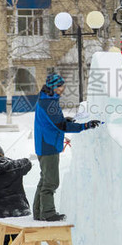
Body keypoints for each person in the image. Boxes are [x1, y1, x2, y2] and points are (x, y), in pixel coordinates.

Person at [33, 73, 100, 221]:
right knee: (51, 182)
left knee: (44, 179)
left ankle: (38, 212)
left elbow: (55, 121)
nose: (63, 88)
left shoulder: (47, 99)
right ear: (54, 87)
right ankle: (48, 213)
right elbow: (61, 126)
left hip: (45, 144)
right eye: (61, 86)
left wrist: (64, 120)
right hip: (48, 145)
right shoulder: (49, 103)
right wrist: (85, 125)